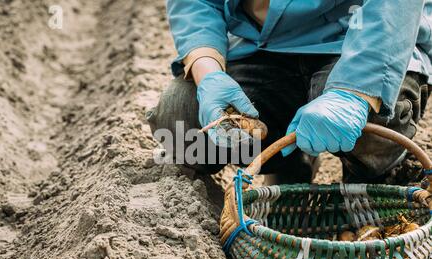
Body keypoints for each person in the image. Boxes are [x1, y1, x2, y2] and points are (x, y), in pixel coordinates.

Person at [147, 0, 432, 184]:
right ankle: (290, 164)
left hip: (358, 38)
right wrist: (208, 70)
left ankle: (375, 179)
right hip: (262, 44)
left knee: (371, 125)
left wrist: (355, 94)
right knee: (180, 119)